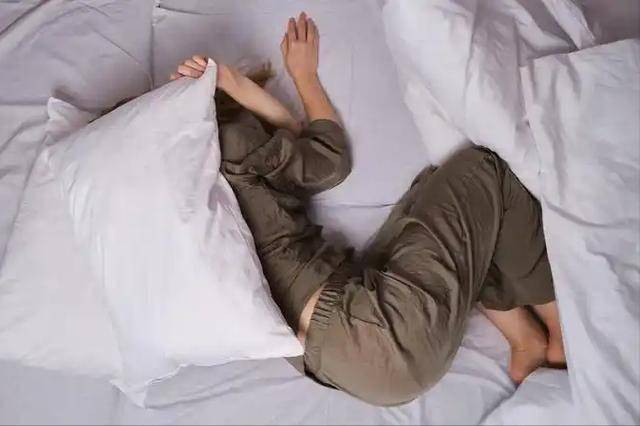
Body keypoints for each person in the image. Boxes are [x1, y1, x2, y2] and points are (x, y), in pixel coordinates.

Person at [170, 12, 566, 406]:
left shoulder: (180, 215)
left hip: (345, 368)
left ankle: (524, 339)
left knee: (434, 199)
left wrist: (235, 88)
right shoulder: (221, 145)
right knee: (483, 172)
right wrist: (293, 79)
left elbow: (285, 151)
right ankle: (560, 325)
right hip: (375, 329)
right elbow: (328, 158)